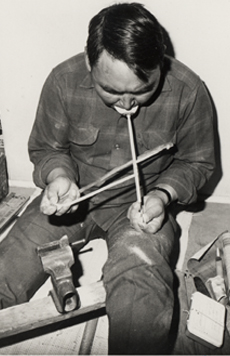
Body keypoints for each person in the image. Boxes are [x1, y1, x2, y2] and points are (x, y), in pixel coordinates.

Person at [0, 2, 218, 354]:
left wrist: (162, 196)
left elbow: (199, 163)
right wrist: (58, 176)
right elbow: (45, 148)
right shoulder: (63, 79)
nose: (128, 104)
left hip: (141, 207)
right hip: (74, 200)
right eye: (112, 92)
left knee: (141, 284)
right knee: (7, 267)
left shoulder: (188, 90)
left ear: (160, 65)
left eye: (143, 90)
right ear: (89, 65)